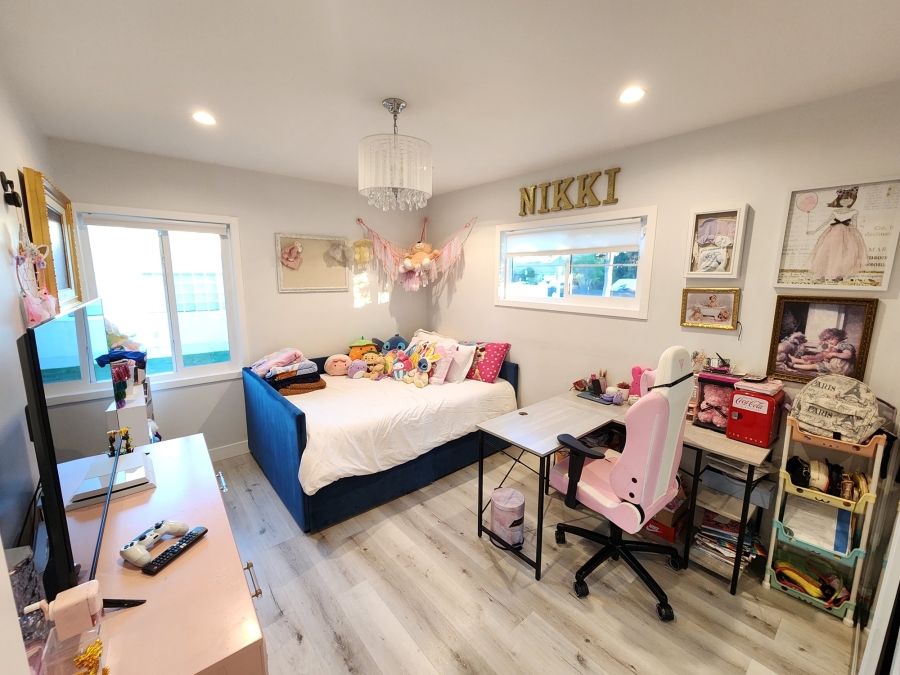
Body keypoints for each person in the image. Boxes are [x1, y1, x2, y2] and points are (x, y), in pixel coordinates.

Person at [808, 187, 867, 281]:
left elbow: (854, 224)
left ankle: (839, 275)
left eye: (849, 200)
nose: (846, 202)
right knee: (829, 252)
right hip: (833, 234)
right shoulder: (835, 211)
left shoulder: (854, 212)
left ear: (852, 201)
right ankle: (825, 275)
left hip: (847, 234)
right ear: (840, 200)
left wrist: (855, 236)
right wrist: (814, 231)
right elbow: (826, 222)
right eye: (844, 200)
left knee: (844, 254)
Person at [788, 328, 856, 376]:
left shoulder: (844, 345)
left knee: (815, 365)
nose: (829, 342)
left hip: (841, 368)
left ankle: (794, 366)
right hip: (834, 365)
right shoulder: (836, 345)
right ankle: (796, 360)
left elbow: (848, 355)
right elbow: (822, 350)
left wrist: (834, 354)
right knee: (815, 360)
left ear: (838, 337)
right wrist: (820, 345)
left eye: (831, 339)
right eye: (827, 340)